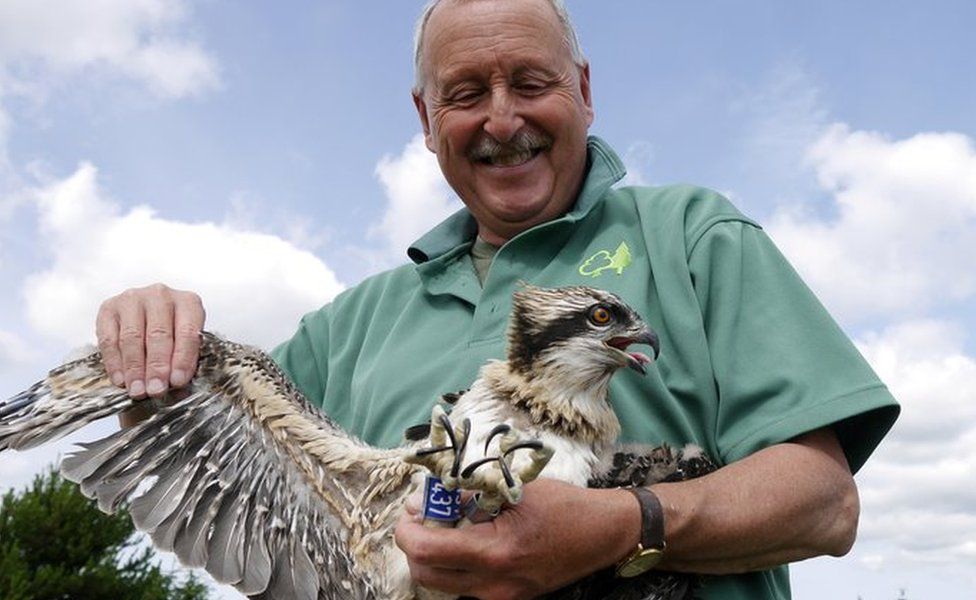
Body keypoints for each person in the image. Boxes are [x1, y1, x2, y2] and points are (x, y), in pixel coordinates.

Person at [95, 0, 899, 598]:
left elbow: (825, 505)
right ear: (425, 116)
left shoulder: (692, 237)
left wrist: (625, 527)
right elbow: (201, 461)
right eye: (467, 91)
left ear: (583, 90)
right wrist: (155, 350)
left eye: (531, 81)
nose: (502, 118)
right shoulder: (350, 326)